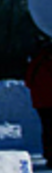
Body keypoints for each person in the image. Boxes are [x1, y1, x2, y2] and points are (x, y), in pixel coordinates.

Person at [26, 35, 52, 164]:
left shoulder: (36, 62)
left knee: (47, 128)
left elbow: (28, 81)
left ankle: (49, 154)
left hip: (41, 102)